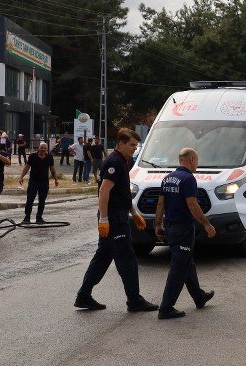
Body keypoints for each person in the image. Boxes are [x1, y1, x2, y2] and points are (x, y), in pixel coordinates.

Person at [74, 128, 158, 312]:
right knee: (127, 258)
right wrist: (104, 219)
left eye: (136, 145)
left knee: (103, 257)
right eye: (131, 145)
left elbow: (122, 192)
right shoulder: (114, 162)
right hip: (113, 218)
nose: (135, 149)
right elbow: (104, 191)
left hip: (118, 215)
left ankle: (84, 296)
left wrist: (134, 213)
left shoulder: (122, 161)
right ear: (121, 143)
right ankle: (134, 300)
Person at [154, 147, 217, 319]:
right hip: (182, 229)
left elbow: (160, 204)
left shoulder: (168, 178)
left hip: (170, 226)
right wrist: (207, 224)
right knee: (178, 267)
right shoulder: (188, 179)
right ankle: (166, 308)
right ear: (190, 160)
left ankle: (199, 297)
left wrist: (157, 224)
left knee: (186, 262)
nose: (197, 164)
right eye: (196, 160)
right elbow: (193, 205)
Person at [19, 141, 59, 224]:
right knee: (30, 199)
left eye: (45, 148)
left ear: (47, 149)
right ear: (39, 148)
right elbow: (27, 167)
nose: (43, 149)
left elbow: (52, 169)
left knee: (42, 200)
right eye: (42, 147)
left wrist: (56, 179)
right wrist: (21, 177)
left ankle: (39, 217)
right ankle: (27, 217)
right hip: (33, 181)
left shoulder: (49, 157)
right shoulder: (32, 156)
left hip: (44, 182)